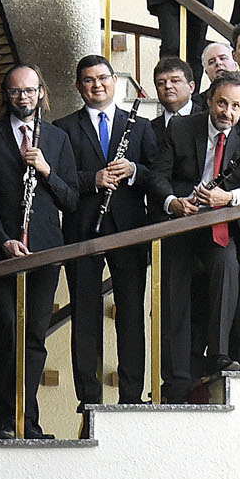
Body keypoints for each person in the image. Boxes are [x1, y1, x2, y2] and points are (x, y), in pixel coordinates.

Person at [0, 64, 78, 438]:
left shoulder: (57, 138)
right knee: (4, 333)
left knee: (33, 337)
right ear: (7, 95)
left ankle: (26, 421)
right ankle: (0, 419)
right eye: (16, 92)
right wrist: (2, 240)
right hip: (1, 251)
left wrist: (47, 170)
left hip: (45, 251)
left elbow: (71, 199)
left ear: (41, 92)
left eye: (30, 91)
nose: (23, 98)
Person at [50, 57, 159, 410]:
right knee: (84, 312)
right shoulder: (63, 127)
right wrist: (92, 179)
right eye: (88, 80)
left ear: (115, 81)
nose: (97, 85)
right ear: (79, 87)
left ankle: (131, 395)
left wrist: (134, 170)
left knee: (130, 312)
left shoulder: (140, 127)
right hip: (83, 228)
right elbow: (59, 180)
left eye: (103, 78)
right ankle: (89, 396)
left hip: (128, 228)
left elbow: (157, 175)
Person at [154, 72, 240, 399]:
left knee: (227, 264)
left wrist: (230, 198)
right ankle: (175, 376)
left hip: (219, 221)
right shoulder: (180, 126)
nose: (227, 112)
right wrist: (172, 202)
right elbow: (158, 176)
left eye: (235, 106)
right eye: (222, 103)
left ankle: (218, 355)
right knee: (173, 291)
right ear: (208, 101)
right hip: (180, 221)